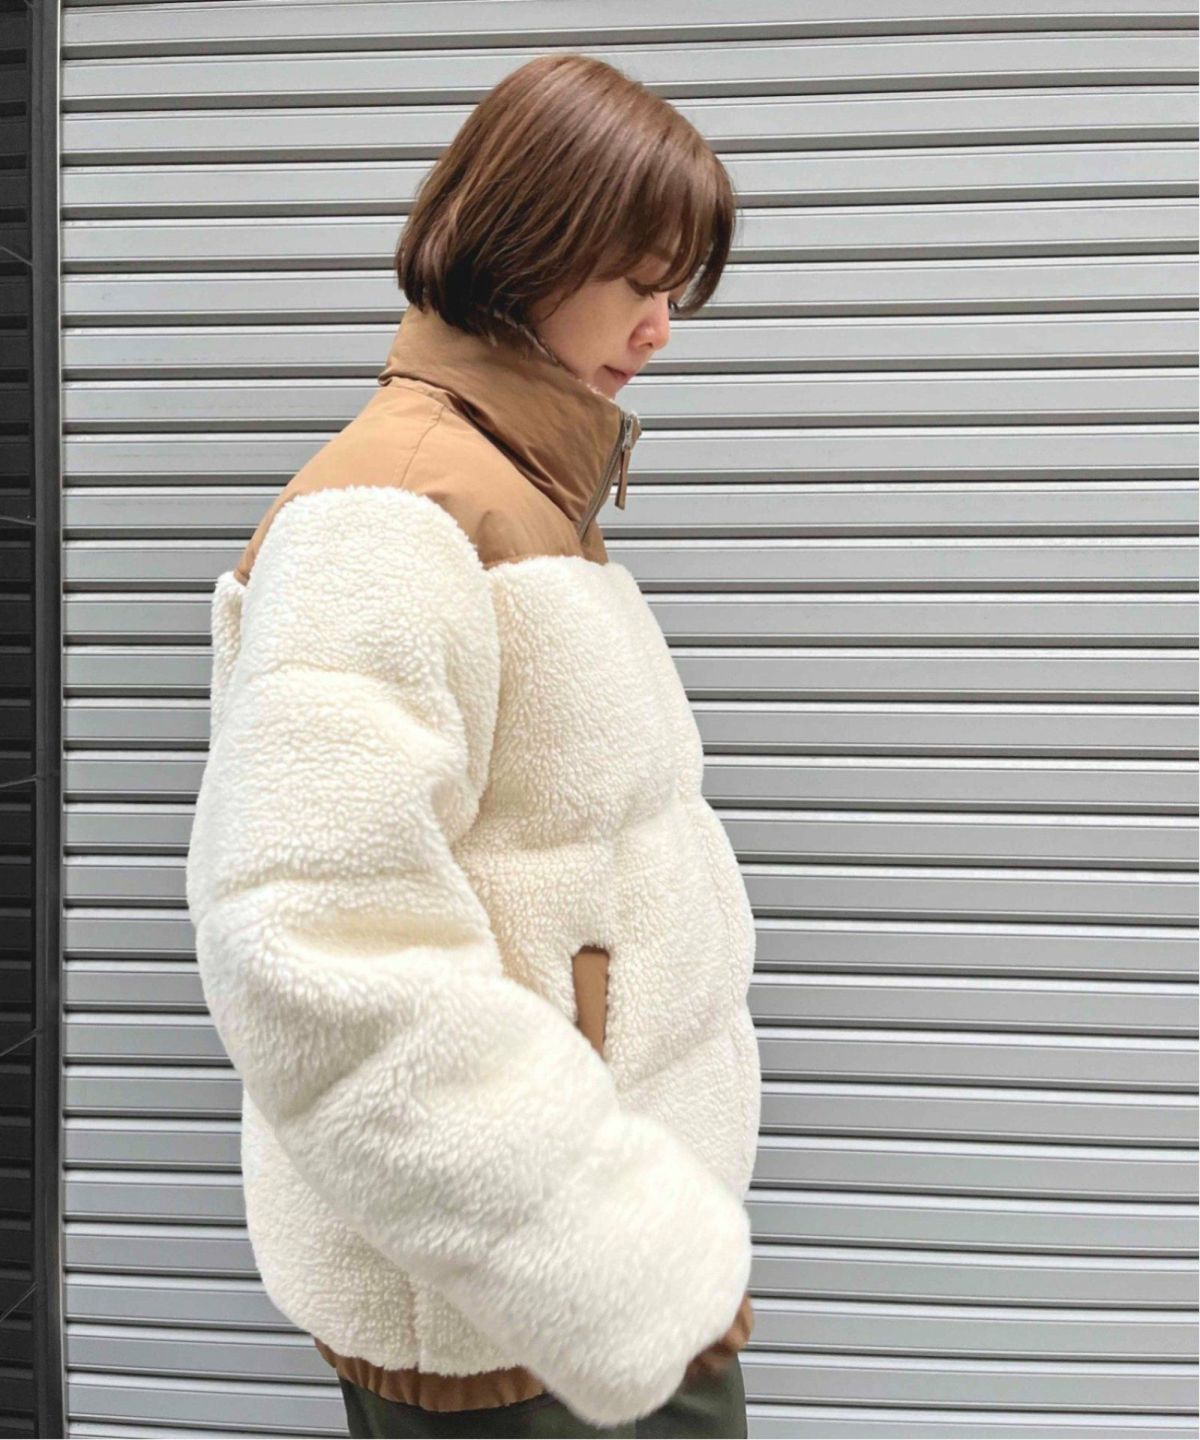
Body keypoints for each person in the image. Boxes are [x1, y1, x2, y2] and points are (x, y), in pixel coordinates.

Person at [184, 51, 761, 1439]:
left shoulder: (516, 489)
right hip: (528, 1314)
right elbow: (318, 954)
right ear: (532, 244)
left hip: (586, 1294)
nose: (661, 328)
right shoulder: (395, 514)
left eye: (677, 290)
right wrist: (619, 1259)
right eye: (638, 281)